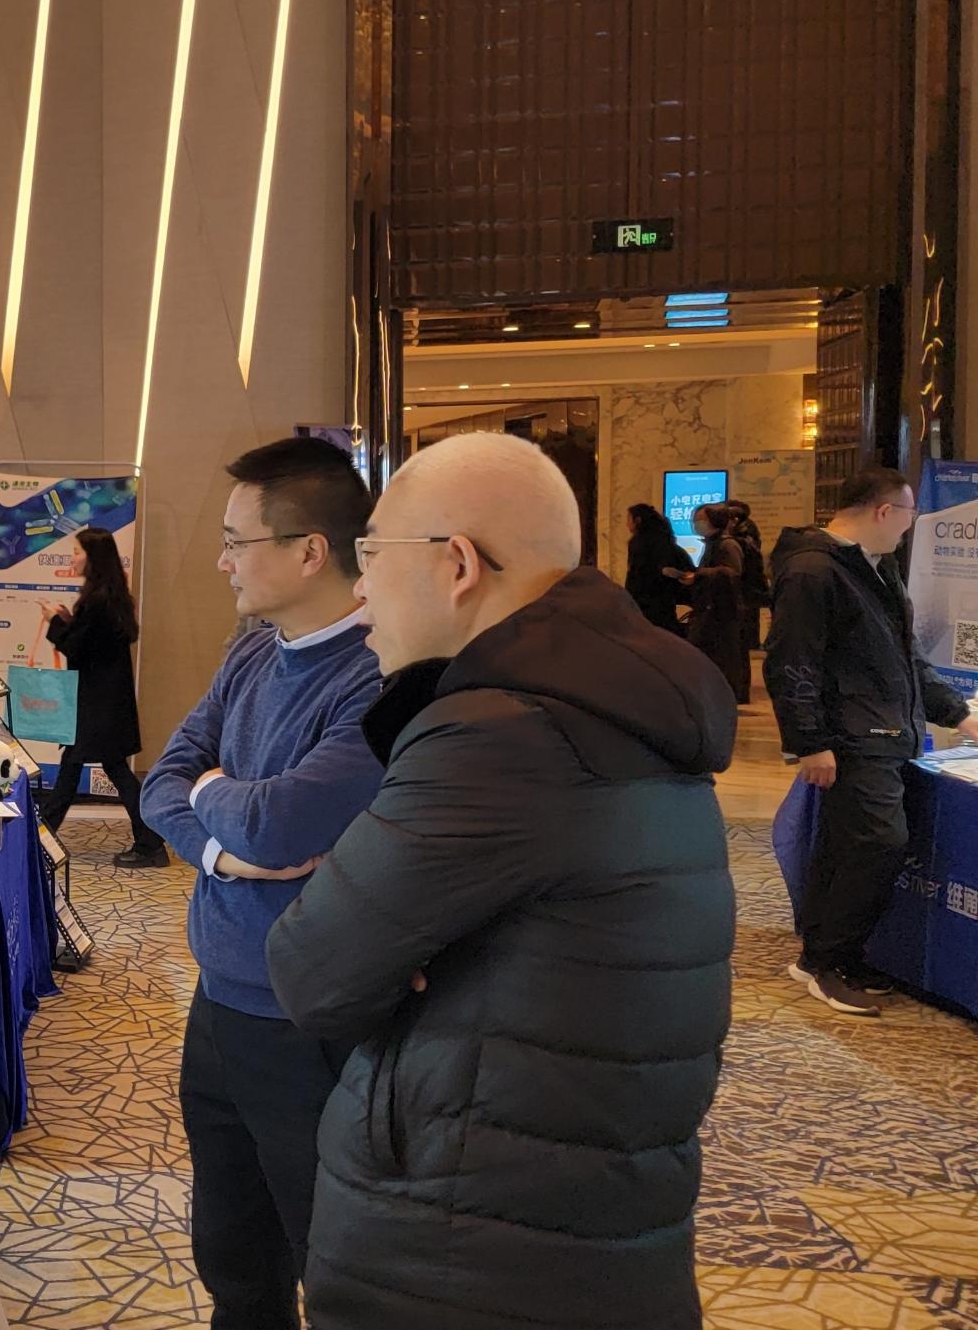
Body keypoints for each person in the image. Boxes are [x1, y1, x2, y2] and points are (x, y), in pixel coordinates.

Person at [263, 432, 738, 1330]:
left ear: (457, 564)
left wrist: (400, 953)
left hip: (466, 1255)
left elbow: (312, 970)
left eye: (373, 554)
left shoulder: (500, 735)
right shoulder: (615, 702)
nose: (360, 592)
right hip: (585, 1219)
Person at [140, 435, 386, 1330]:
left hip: (310, 1020)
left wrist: (213, 792)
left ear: (310, 550)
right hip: (219, 1002)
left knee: (334, 1259)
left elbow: (283, 824)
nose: (223, 561)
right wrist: (220, 851)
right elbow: (158, 783)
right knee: (233, 1255)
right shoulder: (252, 653)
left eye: (236, 541)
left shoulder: (378, 674)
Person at [765, 467, 978, 1015]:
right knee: (877, 844)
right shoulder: (813, 570)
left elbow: (906, 661)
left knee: (848, 846)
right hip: (853, 737)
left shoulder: (876, 571)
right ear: (884, 511)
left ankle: (823, 955)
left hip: (884, 733)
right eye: (907, 516)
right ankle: (830, 962)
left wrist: (959, 715)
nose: (908, 529)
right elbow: (792, 662)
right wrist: (809, 742)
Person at [37, 526, 166, 866]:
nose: (72, 558)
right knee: (90, 770)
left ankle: (149, 844)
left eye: (77, 552)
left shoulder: (96, 601)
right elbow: (91, 643)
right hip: (106, 704)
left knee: (85, 771)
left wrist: (54, 621)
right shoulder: (110, 597)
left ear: (93, 558)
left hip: (97, 706)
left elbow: (76, 649)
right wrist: (67, 619)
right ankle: (41, 837)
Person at [676, 502, 750, 701]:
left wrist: (700, 575)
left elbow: (732, 572)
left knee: (722, 657)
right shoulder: (713, 544)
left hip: (722, 611)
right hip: (711, 609)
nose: (695, 523)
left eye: (700, 519)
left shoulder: (727, 545)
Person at [623, 501, 693, 635]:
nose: (627, 524)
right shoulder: (665, 540)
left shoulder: (639, 544)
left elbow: (636, 576)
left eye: (629, 519)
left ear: (638, 520)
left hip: (643, 602)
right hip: (665, 601)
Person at [725, 497, 770, 651]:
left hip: (744, 585)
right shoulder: (750, 529)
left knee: (743, 625)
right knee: (749, 621)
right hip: (751, 585)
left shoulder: (738, 536)